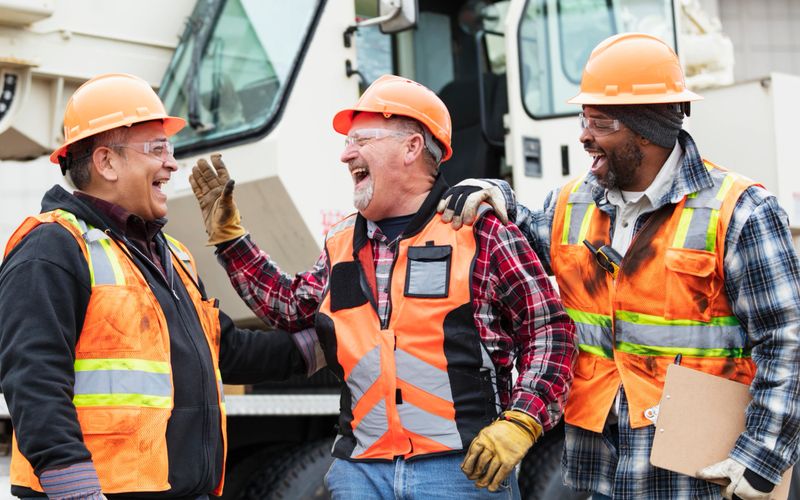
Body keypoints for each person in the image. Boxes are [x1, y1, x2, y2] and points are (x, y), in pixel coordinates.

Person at [439, 33, 800, 499]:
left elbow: (787, 339)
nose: (585, 136)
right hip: (603, 468)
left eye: (601, 122)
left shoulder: (740, 211)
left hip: (700, 473)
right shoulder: (572, 204)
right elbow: (527, 232)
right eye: (584, 119)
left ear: (647, 129)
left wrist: (762, 455)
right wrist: (496, 194)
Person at [189, 74, 577, 499]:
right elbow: (288, 307)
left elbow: (550, 331)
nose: (345, 154)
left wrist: (523, 420)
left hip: (462, 473)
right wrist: (230, 238)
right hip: (361, 472)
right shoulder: (341, 244)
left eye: (362, 139)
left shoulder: (480, 231)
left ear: (412, 147)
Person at [0, 73, 317, 499]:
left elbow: (226, 349)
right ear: (106, 162)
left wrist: (327, 343)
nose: (172, 163)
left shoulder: (172, 255)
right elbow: (34, 382)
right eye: (157, 149)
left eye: (170, 149)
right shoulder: (53, 247)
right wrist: (76, 493)